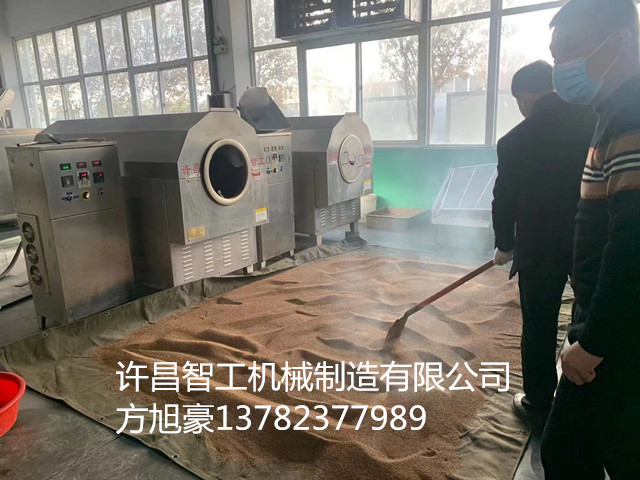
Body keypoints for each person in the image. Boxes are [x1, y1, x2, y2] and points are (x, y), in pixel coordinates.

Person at [541, 0, 640, 478]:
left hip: (618, 340)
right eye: (555, 55)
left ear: (617, 42)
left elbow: (632, 245)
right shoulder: (612, 112)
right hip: (609, 325)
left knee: (574, 453)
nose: (561, 66)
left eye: (570, 49)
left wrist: (593, 341)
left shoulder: (629, 119)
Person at [491, 61, 596, 425]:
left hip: (538, 248)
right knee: (588, 318)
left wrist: (504, 244)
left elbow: (503, 197)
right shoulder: (595, 120)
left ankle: (538, 403)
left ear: (524, 97)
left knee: (539, 324)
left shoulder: (516, 140)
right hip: (590, 242)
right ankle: (584, 399)